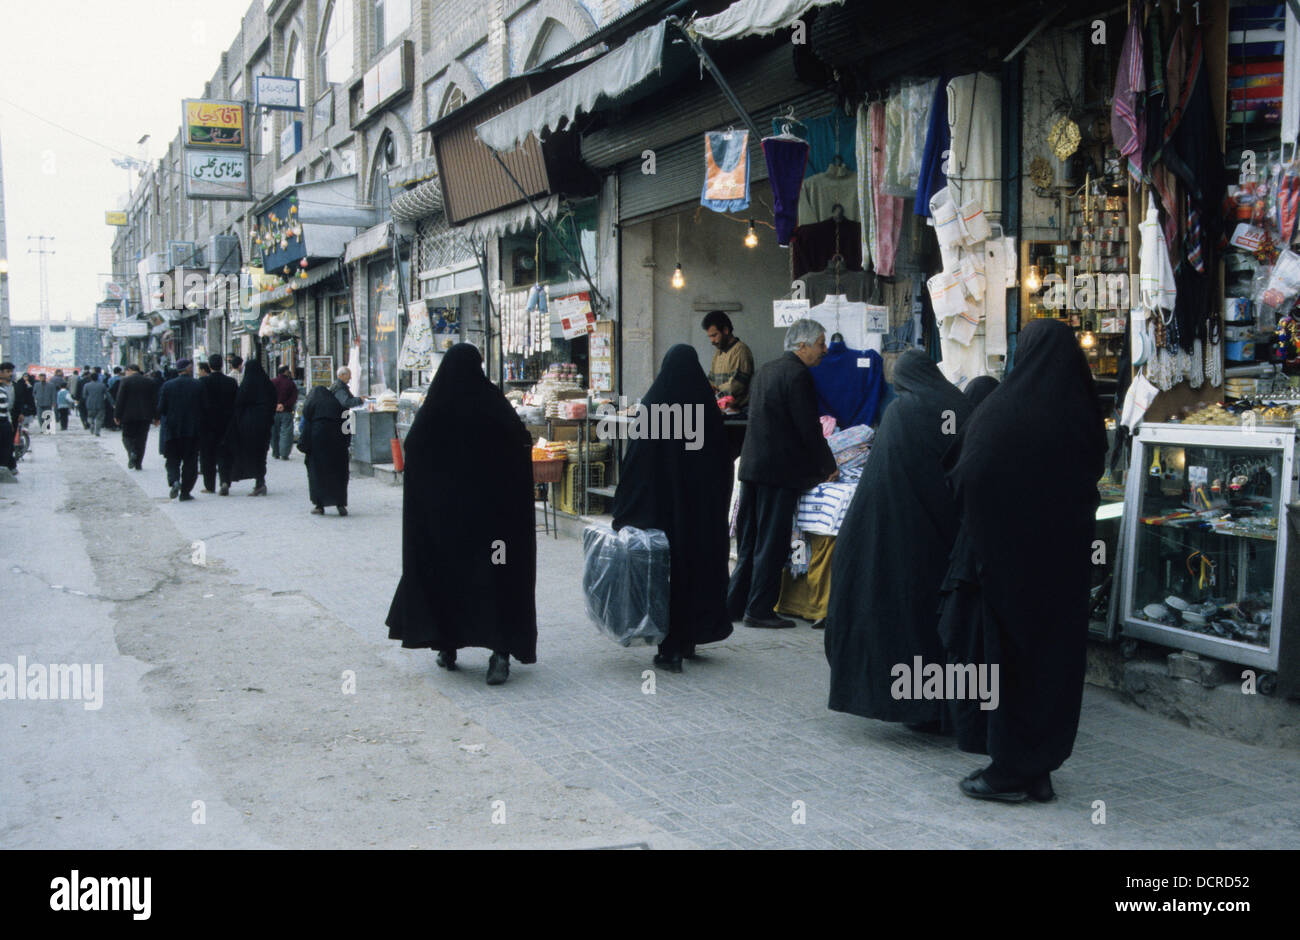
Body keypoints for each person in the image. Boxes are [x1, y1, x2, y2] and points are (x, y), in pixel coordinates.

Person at [940, 319, 1107, 803]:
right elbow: (1093, 473)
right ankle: (1039, 767)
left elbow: (966, 473)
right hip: (1066, 565)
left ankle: (1009, 771)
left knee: (1011, 661)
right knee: (1055, 665)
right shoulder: (1080, 411)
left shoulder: (1003, 409)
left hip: (1009, 566)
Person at [824, 350, 972, 732]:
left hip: (901, 536)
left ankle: (915, 707)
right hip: (947, 533)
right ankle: (945, 707)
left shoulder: (902, 412)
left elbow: (882, 478)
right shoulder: (958, 404)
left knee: (907, 623)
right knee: (939, 626)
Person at [386, 343, 536, 687]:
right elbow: (520, 444)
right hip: (493, 528)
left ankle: (447, 646)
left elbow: (414, 450)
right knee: (495, 582)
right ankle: (500, 654)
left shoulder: (436, 407)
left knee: (448, 578)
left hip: (447, 525)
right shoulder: (494, 404)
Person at [611, 345, 733, 672]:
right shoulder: (707, 409)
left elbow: (636, 464)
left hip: (662, 517)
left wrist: (625, 512)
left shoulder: (654, 406)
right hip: (700, 519)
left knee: (665, 580)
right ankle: (690, 637)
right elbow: (723, 465)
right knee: (696, 574)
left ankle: (670, 648)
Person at [727, 319, 837, 628]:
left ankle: (735, 603)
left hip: (752, 467)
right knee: (771, 542)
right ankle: (759, 609)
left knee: (749, 540)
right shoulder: (798, 375)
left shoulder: (767, 370)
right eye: (820, 344)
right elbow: (809, 428)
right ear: (802, 346)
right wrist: (828, 466)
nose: (824, 350)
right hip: (778, 471)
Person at [222, 356, 276, 496]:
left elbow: (238, 403)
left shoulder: (247, 384)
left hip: (247, 426)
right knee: (261, 454)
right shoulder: (268, 385)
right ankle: (260, 482)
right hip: (264, 426)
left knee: (246, 452)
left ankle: (228, 480)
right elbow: (273, 402)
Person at [156, 359, 204, 501]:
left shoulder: (168, 386)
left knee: (172, 459)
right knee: (190, 461)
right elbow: (205, 406)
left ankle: (174, 481)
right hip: (192, 430)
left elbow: (161, 408)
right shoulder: (198, 385)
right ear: (188, 368)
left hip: (172, 430)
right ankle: (185, 492)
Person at [300, 383, 352, 515]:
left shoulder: (312, 409)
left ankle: (319, 505)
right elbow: (347, 427)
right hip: (337, 446)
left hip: (318, 446)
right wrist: (346, 443)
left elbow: (305, 427)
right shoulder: (338, 406)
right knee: (338, 474)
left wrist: (304, 446)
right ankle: (340, 503)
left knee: (317, 475)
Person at [198, 354, 238, 495]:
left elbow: (199, 404)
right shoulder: (231, 382)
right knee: (225, 454)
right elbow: (236, 403)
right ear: (222, 365)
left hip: (207, 425)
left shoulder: (202, 382)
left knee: (207, 456)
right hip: (226, 424)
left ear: (209, 366)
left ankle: (209, 486)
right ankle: (225, 481)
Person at [702, 310, 755, 411]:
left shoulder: (741, 350)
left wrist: (715, 391)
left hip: (738, 412)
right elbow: (711, 381)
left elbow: (736, 386)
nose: (712, 341)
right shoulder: (718, 353)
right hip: (721, 410)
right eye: (709, 336)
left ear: (726, 330)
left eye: (714, 335)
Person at [115, 364, 156, 469]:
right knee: (141, 440)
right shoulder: (149, 382)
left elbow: (120, 399)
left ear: (129, 370)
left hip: (128, 416)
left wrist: (117, 415)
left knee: (127, 437)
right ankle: (138, 464)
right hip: (145, 416)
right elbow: (154, 400)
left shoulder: (125, 381)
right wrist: (156, 416)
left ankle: (132, 452)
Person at [270, 365, 299, 460]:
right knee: (286, 432)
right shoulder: (290, 383)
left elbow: (267, 395)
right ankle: (284, 453)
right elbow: (294, 397)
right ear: (286, 372)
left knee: (274, 432)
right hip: (286, 411)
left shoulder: (272, 382)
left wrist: (275, 405)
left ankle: (275, 452)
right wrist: (284, 405)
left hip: (273, 412)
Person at [82, 372, 108, 437]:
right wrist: (112, 402)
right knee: (99, 419)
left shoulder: (86, 385)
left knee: (90, 417)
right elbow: (107, 395)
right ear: (98, 378)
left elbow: (84, 395)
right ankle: (97, 431)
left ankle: (91, 424)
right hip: (100, 403)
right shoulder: (102, 385)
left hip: (90, 404)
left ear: (91, 378)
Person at [0, 363, 16, 474]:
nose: (10, 374)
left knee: (7, 447)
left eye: (11, 371)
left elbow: (7, 409)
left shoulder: (5, 388)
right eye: (7, 371)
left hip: (5, 422)